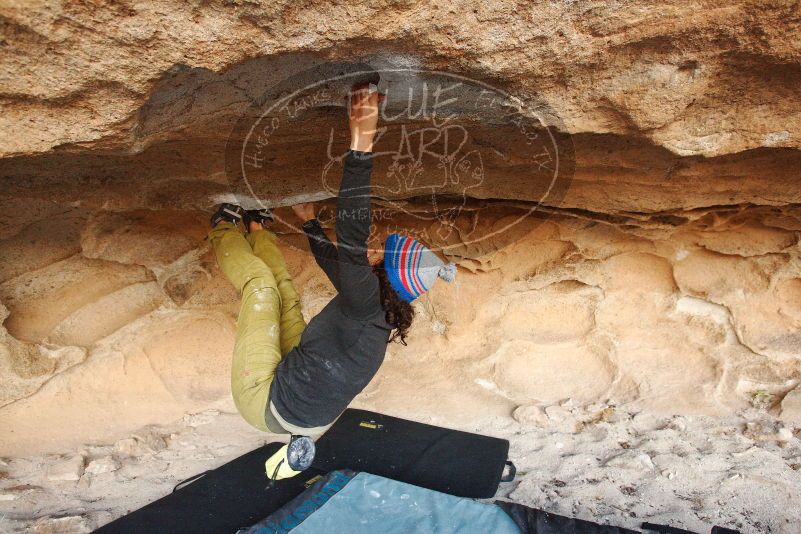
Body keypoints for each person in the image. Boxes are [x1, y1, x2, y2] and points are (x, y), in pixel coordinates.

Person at [208, 83, 457, 480]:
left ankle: (223, 224)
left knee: (260, 286)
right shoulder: (375, 308)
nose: (374, 249)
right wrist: (308, 222)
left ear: (382, 269)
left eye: (381, 252)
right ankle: (256, 225)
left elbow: (352, 234)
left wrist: (362, 139)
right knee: (285, 296)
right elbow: (338, 267)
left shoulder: (367, 303)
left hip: (266, 404)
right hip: (307, 414)